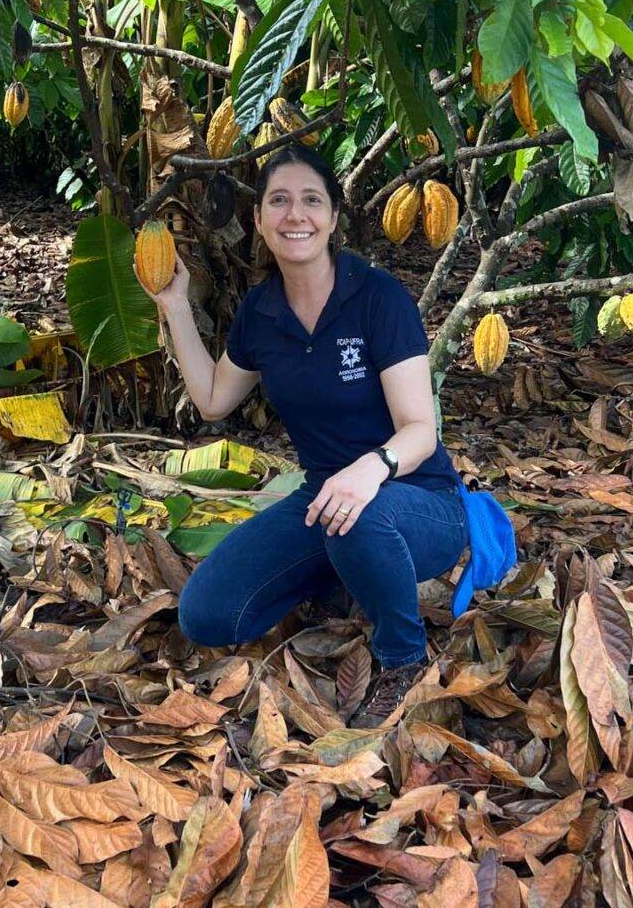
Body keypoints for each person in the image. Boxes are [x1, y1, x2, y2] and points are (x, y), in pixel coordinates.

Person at [151, 142, 471, 717]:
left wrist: (371, 469)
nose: (294, 215)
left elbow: (421, 430)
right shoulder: (260, 313)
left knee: (359, 515)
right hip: (324, 502)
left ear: (332, 217)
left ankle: (403, 659)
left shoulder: (377, 298)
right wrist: (175, 305)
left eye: (311, 200)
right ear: (258, 219)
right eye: (278, 201)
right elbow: (214, 400)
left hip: (420, 501)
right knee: (207, 615)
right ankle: (342, 578)